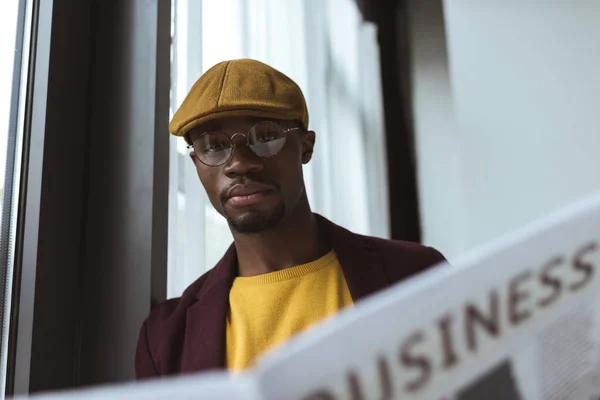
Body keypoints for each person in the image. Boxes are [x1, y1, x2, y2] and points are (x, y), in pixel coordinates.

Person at [135, 59, 446, 379]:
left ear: (306, 147)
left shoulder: (417, 276)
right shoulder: (164, 338)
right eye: (213, 146)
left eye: (265, 137)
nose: (240, 163)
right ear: (196, 163)